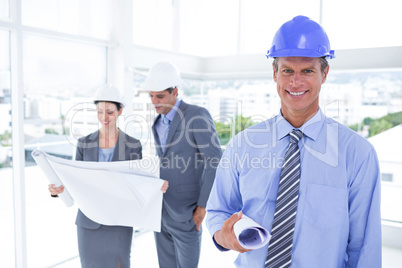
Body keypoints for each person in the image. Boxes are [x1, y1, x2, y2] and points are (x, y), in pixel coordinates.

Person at [206, 15, 381, 267]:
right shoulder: (243, 144)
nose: (295, 82)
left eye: (307, 71)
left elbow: (364, 248)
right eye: (287, 70)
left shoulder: (357, 153)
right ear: (274, 73)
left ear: (325, 73)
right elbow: (217, 210)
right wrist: (224, 237)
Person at [48, 84, 169, 268]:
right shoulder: (83, 143)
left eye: (110, 112)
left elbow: (137, 182)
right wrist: (57, 189)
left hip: (119, 222)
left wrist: (154, 186)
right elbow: (74, 180)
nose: (104, 117)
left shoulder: (132, 145)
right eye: (100, 112)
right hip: (89, 223)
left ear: (120, 111)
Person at [143, 61, 223, 267]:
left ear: (175, 91)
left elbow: (214, 162)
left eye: (160, 96)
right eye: (151, 96)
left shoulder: (197, 115)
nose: (154, 101)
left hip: (187, 213)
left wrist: (202, 207)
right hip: (160, 210)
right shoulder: (157, 122)